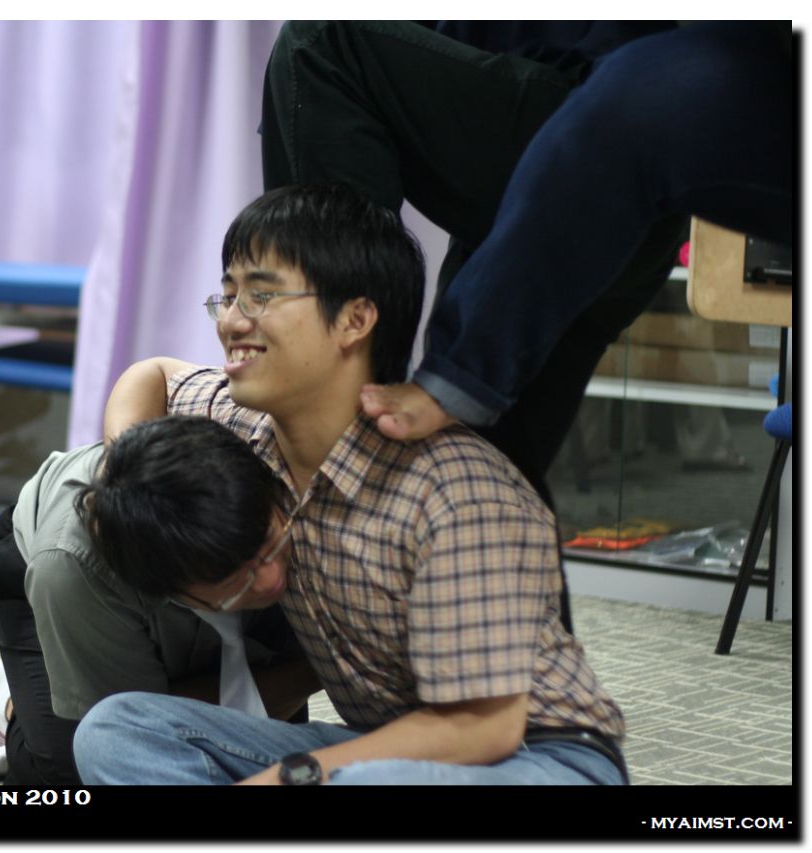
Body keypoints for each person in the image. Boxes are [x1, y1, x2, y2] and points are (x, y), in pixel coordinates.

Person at [73, 183, 627, 785]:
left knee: (360, 784)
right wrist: (122, 470)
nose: (231, 320)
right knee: (118, 729)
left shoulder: (457, 490)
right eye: (227, 296)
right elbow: (152, 375)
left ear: (355, 320)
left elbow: (483, 728)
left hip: (539, 758)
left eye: (260, 296)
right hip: (388, 746)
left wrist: (287, 779)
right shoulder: (249, 429)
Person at [258, 22, 792, 499]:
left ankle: (332, 420)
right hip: (590, 176)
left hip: (598, 138)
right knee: (485, 481)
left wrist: (455, 376)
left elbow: (644, 102)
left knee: (322, 45)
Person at [0, 415, 319, 786]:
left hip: (194, 579)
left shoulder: (263, 458)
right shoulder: (73, 570)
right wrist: (322, 667)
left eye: (269, 544)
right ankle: (20, 697)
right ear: (166, 586)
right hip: (54, 579)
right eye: (237, 579)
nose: (272, 578)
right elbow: (136, 724)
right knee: (83, 768)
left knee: (255, 751)